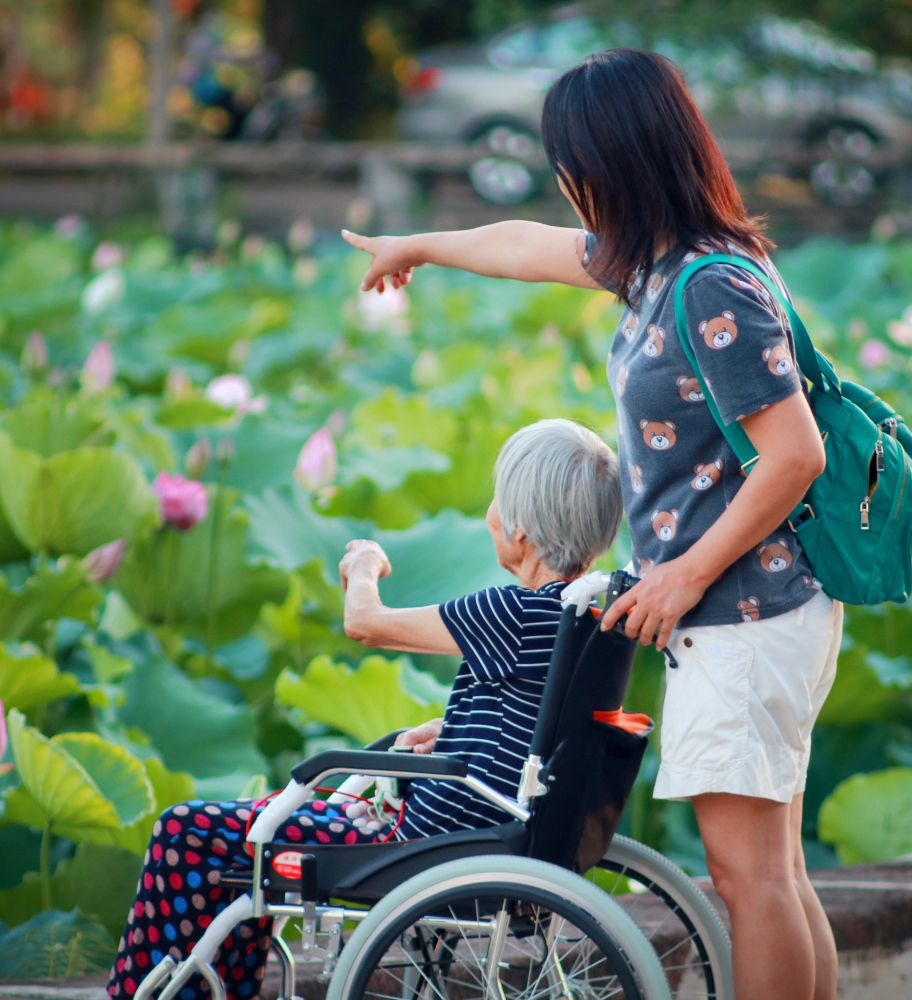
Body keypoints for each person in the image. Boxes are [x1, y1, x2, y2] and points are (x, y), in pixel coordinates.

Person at [342, 48, 842, 1000]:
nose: (566, 185)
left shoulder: (709, 285)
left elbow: (796, 455)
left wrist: (683, 575)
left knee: (751, 877)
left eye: (572, 162)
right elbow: (527, 247)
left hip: (745, 614)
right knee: (774, 872)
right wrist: (417, 245)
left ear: (617, 158)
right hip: (749, 614)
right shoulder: (657, 267)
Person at [106, 419, 622, 998]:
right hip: (483, 828)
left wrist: (363, 567)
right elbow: (536, 728)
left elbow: (366, 624)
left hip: (420, 843)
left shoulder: (514, 611)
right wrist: (449, 733)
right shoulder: (581, 615)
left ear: (522, 529)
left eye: (498, 498)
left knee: (184, 830)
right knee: (234, 844)